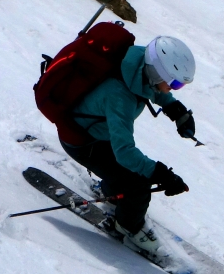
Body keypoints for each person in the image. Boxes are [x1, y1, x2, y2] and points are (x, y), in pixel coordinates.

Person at [59, 35, 197, 253]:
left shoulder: (138, 62)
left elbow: (147, 86)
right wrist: (160, 174)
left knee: (128, 170)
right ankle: (127, 227)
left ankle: (112, 193)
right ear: (157, 72)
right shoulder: (119, 97)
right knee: (138, 181)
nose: (174, 89)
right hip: (83, 141)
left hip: (96, 133)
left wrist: (175, 109)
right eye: (175, 83)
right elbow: (124, 153)